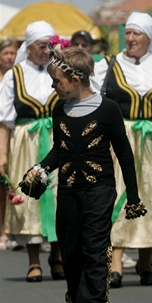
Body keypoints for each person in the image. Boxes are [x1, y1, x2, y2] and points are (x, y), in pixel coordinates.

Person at [22, 45, 146, 302]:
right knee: (71, 253)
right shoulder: (60, 110)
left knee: (94, 249)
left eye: (57, 82)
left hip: (99, 190)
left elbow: (124, 153)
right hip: (68, 192)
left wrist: (133, 196)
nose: (53, 87)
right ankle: (76, 297)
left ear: (76, 80)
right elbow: (59, 150)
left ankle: (95, 300)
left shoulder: (108, 109)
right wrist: (38, 169)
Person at [90, 12, 152, 288]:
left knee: (151, 199)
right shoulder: (108, 65)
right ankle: (116, 263)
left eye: (137, 34)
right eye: (129, 33)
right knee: (121, 197)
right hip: (120, 138)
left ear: (148, 38)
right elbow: (92, 100)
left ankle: (146, 262)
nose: (131, 38)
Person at [0, 21, 65, 282]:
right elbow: (4, 120)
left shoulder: (59, 70)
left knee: (60, 195)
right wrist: (2, 154)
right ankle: (34, 260)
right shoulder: (13, 75)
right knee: (29, 199)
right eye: (41, 46)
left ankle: (57, 255)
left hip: (56, 140)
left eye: (50, 45)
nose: (46, 51)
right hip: (25, 142)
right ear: (28, 47)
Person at [0, 37, 17, 251]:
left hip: (14, 134)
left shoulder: (19, 77)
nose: (9, 57)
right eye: (5, 53)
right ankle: (2, 230)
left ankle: (13, 229)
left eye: (12, 53)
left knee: (14, 183)